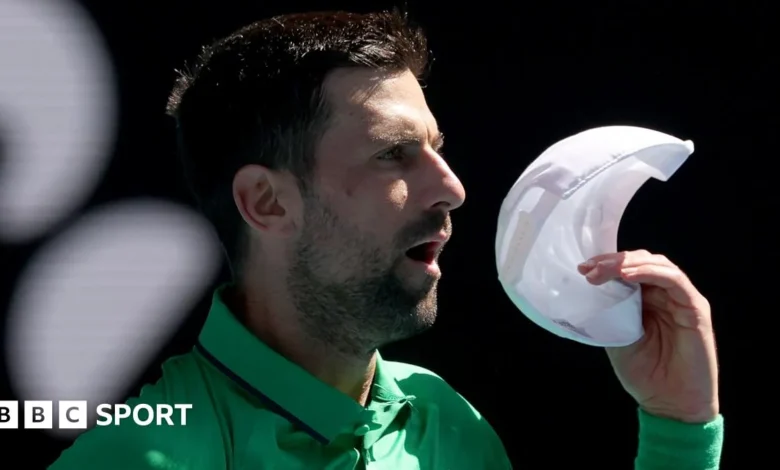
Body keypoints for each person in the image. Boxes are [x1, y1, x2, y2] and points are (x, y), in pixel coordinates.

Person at [49, 9, 724, 469]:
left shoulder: (446, 422)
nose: (452, 188)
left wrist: (679, 426)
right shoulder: (137, 456)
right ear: (267, 202)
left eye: (436, 148)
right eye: (393, 154)